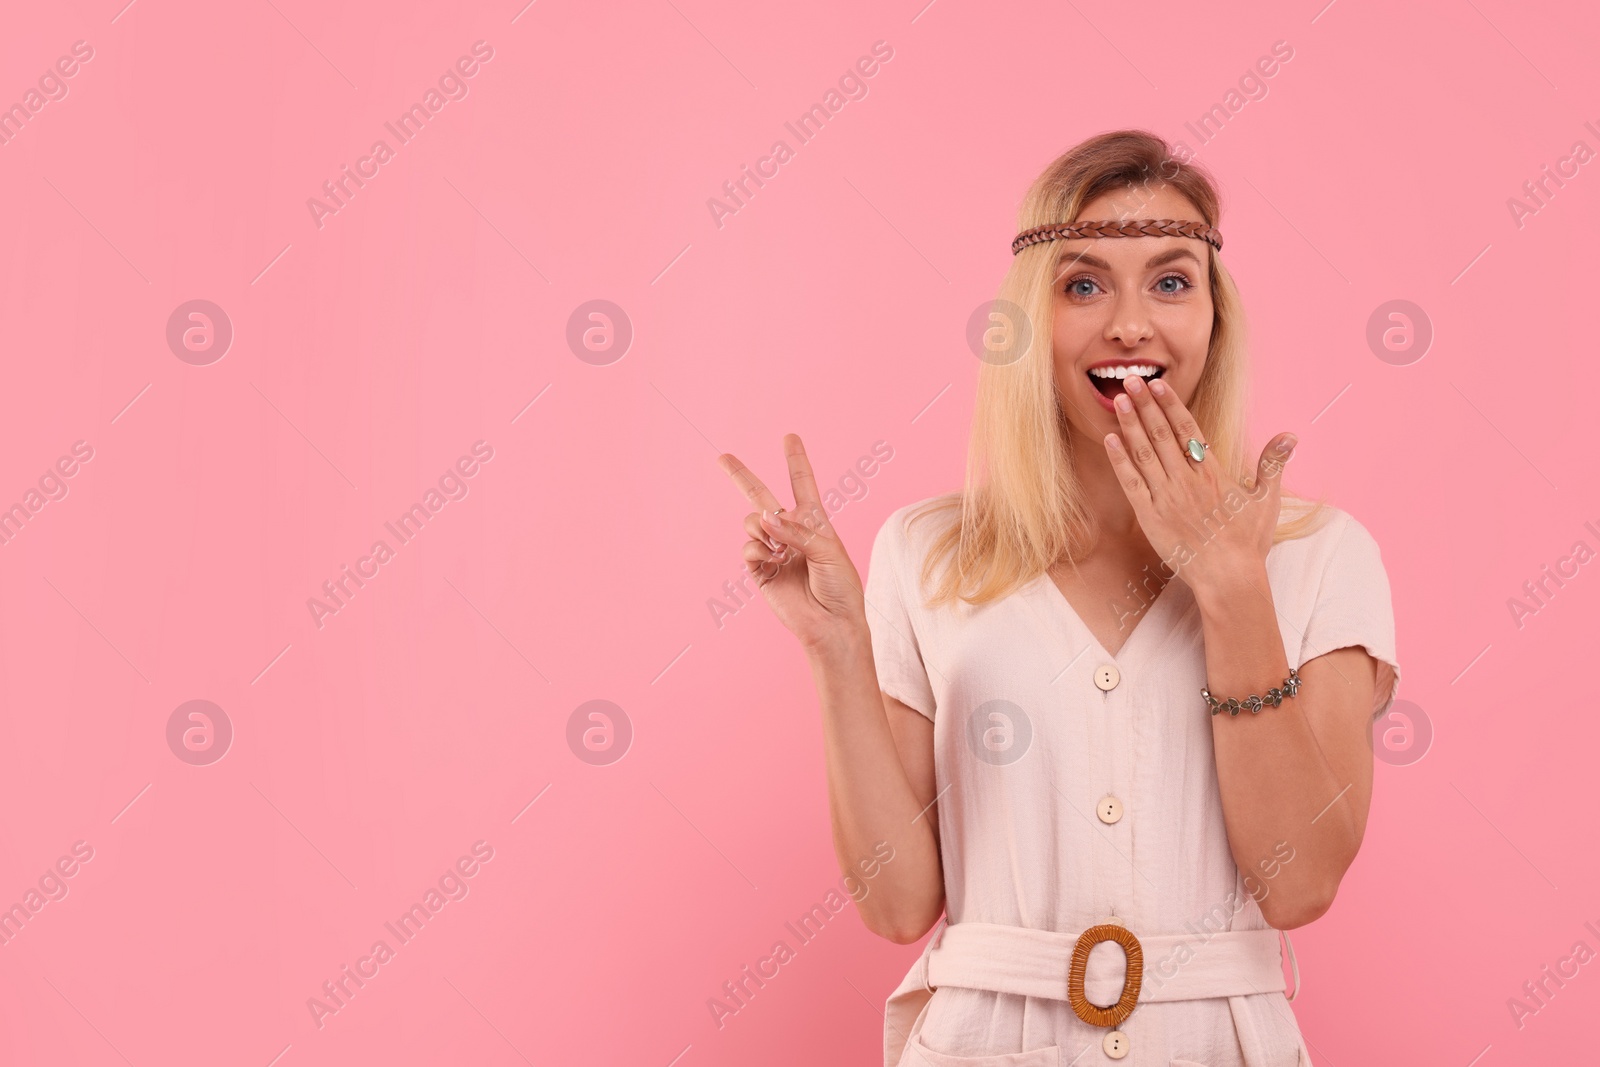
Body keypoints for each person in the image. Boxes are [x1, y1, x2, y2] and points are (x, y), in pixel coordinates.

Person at [717, 129, 1399, 1067]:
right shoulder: (926, 552)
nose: (1129, 325)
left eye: (1170, 282)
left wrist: (1233, 588)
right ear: (1032, 320)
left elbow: (1300, 884)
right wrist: (836, 648)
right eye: (1084, 285)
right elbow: (897, 903)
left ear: (1214, 318)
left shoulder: (1322, 555)